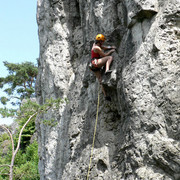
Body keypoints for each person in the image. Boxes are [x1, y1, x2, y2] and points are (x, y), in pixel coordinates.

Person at [89, 34, 116, 101]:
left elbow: (103, 47)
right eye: (102, 41)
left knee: (100, 80)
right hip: (96, 63)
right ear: (100, 41)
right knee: (109, 57)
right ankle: (107, 70)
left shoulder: (95, 45)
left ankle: (106, 96)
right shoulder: (97, 48)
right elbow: (104, 55)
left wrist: (110, 47)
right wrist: (111, 51)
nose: (103, 42)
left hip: (93, 65)